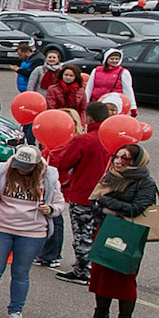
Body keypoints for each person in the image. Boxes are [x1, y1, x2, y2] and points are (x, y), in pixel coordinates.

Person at [0, 144, 63, 318]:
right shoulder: (2, 171)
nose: (21, 171)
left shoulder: (50, 176)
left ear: (36, 166)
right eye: (18, 166)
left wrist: (51, 209)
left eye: (26, 168)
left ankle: (16, 310)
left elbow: (59, 204)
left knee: (21, 273)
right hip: (1, 227)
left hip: (33, 231)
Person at [81, 141, 158, 318]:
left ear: (136, 161)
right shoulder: (110, 176)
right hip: (106, 230)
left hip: (129, 235)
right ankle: (100, 317)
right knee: (100, 275)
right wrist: (106, 207)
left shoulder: (145, 182)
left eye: (125, 158)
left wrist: (107, 202)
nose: (119, 161)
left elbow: (139, 207)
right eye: (117, 157)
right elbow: (93, 201)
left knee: (124, 279)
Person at [52, 102, 112, 284]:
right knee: (100, 232)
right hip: (108, 196)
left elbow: (64, 162)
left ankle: (83, 270)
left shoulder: (84, 140)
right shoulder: (113, 138)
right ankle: (99, 268)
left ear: (90, 118)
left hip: (84, 193)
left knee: (82, 233)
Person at [87, 48, 136, 115]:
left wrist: (133, 107)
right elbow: (89, 87)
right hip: (96, 102)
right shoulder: (96, 70)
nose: (114, 61)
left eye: (117, 59)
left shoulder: (123, 72)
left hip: (113, 105)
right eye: (112, 59)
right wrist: (86, 101)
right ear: (106, 59)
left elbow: (128, 90)